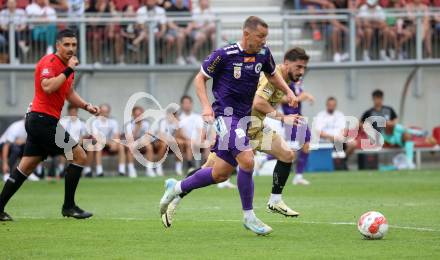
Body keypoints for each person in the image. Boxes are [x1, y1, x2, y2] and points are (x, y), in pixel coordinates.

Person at [159, 16, 298, 235]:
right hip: (226, 116)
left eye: (266, 37)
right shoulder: (224, 54)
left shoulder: (264, 53)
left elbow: (272, 75)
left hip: (244, 118)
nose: (264, 41)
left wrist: (289, 91)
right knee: (247, 160)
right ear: (246, 34)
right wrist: (206, 107)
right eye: (260, 36)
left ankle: (176, 187)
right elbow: (199, 79)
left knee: (220, 173)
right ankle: (249, 216)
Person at [0, 29, 100, 221]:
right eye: (67, 45)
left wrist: (86, 106)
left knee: (26, 166)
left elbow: (68, 93)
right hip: (41, 120)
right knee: (79, 156)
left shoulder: (66, 67)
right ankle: (69, 207)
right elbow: (47, 87)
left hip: (41, 121)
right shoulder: (50, 63)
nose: (71, 49)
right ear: (58, 46)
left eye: (74, 45)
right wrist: (69, 69)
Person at [281, 78, 315, 185]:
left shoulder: (298, 83)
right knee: (292, 151)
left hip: (300, 118)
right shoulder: (284, 82)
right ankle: (264, 160)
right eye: (299, 67)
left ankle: (298, 176)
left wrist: (305, 96)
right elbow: (280, 99)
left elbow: (301, 94)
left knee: (306, 146)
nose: (301, 71)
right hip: (290, 119)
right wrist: (301, 98)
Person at [314, 97, 357, 169]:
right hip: (325, 141)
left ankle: (342, 159)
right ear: (326, 105)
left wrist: (340, 137)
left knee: (353, 143)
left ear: (335, 105)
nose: (331, 106)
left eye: (333, 105)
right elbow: (318, 132)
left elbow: (344, 130)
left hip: (339, 139)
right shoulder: (321, 115)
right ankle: (335, 162)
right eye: (330, 104)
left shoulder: (340, 115)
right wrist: (332, 137)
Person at [84, 103, 125, 177]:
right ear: (99, 112)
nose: (104, 114)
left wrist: (115, 143)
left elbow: (116, 135)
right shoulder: (95, 122)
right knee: (98, 145)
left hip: (110, 143)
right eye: (102, 112)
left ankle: (121, 171)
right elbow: (96, 137)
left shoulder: (113, 122)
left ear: (109, 112)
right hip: (97, 143)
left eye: (106, 112)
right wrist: (110, 143)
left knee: (121, 147)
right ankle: (99, 171)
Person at [176, 95, 204, 173]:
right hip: (186, 141)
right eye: (185, 103)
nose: (187, 105)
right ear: (182, 105)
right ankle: (190, 166)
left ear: (191, 104)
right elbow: (179, 133)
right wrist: (190, 140)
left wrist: (200, 140)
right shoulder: (179, 118)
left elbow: (201, 130)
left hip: (197, 140)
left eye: (188, 103)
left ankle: (208, 166)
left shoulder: (197, 117)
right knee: (188, 143)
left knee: (209, 144)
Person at [57, 104, 87, 177]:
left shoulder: (82, 123)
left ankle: (86, 170)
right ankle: (61, 169)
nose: (73, 113)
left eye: (75, 111)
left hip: (78, 144)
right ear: (69, 112)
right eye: (72, 111)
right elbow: (60, 135)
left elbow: (83, 136)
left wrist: (78, 143)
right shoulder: (63, 122)